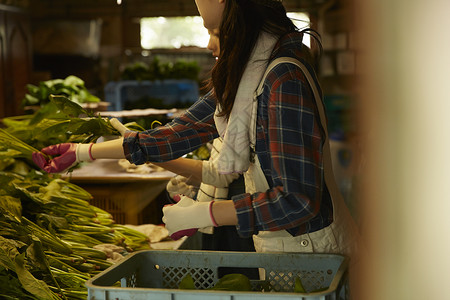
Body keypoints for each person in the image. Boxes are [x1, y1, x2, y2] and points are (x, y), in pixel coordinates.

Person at [33, 0, 360, 292]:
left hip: (317, 260)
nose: (208, 42)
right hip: (290, 254)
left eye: (215, 29)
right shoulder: (252, 74)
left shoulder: (282, 79)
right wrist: (82, 152)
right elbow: (179, 133)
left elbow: (298, 202)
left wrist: (207, 213)